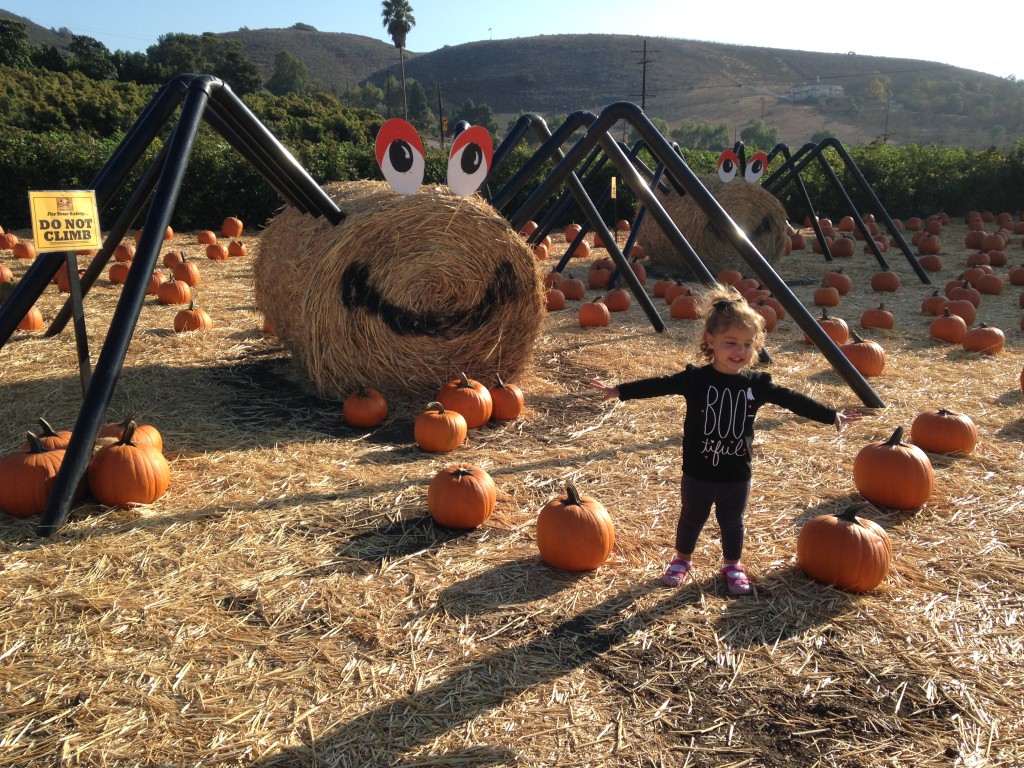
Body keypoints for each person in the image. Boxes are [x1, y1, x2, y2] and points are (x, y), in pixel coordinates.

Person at [588, 284, 862, 595]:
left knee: (732, 521)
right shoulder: (696, 380)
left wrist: (830, 415)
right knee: (691, 517)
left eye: (747, 344)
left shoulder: (757, 384)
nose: (739, 351)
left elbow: (792, 400)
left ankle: (732, 564)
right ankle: (682, 560)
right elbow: (659, 385)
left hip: (736, 473)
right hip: (697, 471)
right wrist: (620, 390)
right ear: (711, 341)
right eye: (731, 343)